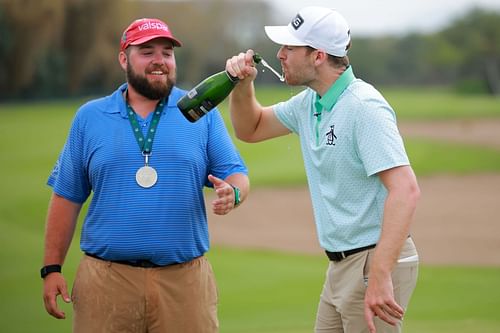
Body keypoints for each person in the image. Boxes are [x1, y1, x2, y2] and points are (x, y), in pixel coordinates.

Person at [41, 17, 249, 333]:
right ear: (124, 58)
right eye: (147, 51)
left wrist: (232, 193)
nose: (159, 61)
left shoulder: (200, 111)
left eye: (167, 52)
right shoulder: (90, 117)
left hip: (184, 283)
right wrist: (52, 268)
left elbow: (237, 174)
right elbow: (66, 196)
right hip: (106, 281)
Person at [226, 6, 420, 333]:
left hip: (373, 263)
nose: (280, 54)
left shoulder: (363, 106)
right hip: (340, 267)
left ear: (317, 56)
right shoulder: (309, 103)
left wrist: (381, 276)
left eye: (290, 48)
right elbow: (251, 128)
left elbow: (406, 189)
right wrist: (243, 85)